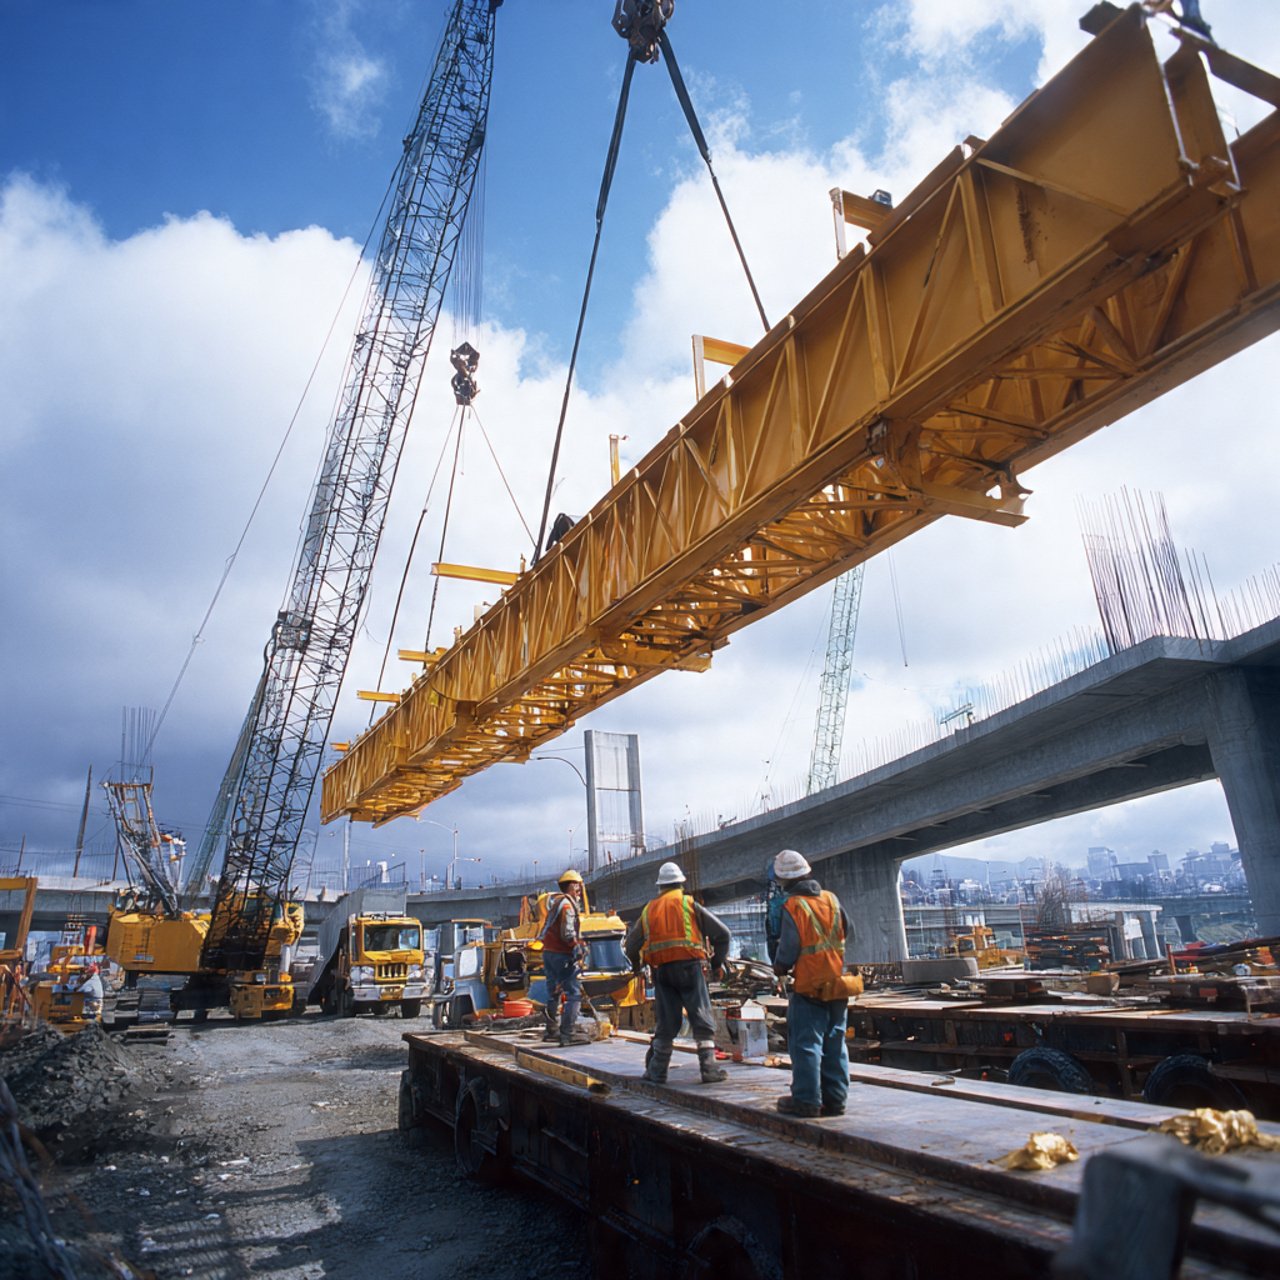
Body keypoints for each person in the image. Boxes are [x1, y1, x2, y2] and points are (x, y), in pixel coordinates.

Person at [624, 861, 732, 1086]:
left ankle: (657, 1072)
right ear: (680, 883)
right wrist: (716, 963)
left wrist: (636, 966)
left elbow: (632, 946)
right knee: (701, 1018)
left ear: (660, 886)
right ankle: (709, 1069)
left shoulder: (649, 909)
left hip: (662, 972)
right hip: (690, 968)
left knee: (667, 1022)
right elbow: (723, 934)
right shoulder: (689, 904)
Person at [771, 849, 852, 1118]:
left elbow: (789, 947)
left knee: (806, 1044)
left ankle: (806, 1100)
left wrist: (780, 966)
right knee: (835, 1042)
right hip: (838, 982)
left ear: (783, 880)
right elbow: (847, 929)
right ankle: (836, 1101)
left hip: (809, 985)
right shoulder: (831, 899)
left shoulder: (793, 906)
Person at [539, 869, 590, 1047]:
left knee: (554, 992)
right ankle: (568, 1035)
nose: (579, 891)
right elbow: (567, 932)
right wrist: (577, 947)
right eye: (578, 887)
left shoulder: (556, 903)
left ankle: (551, 1031)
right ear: (572, 885)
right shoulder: (567, 905)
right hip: (562, 955)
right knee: (573, 994)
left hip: (548, 954)